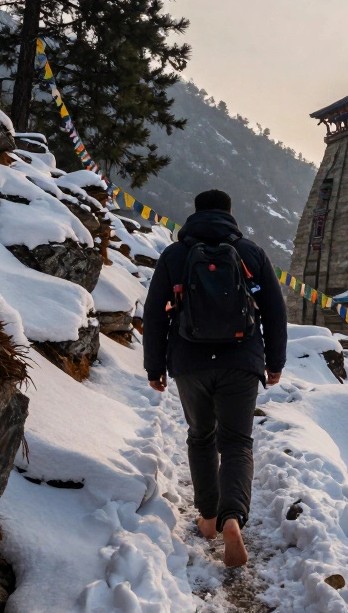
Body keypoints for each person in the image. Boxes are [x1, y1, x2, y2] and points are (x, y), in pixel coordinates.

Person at [143, 189, 287, 568]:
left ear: (195, 213)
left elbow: (156, 314)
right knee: (237, 442)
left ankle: (208, 517)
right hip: (242, 361)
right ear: (229, 213)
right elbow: (274, 310)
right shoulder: (251, 253)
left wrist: (154, 366)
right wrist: (274, 361)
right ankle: (233, 518)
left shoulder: (175, 255)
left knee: (201, 436)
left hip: (191, 361)